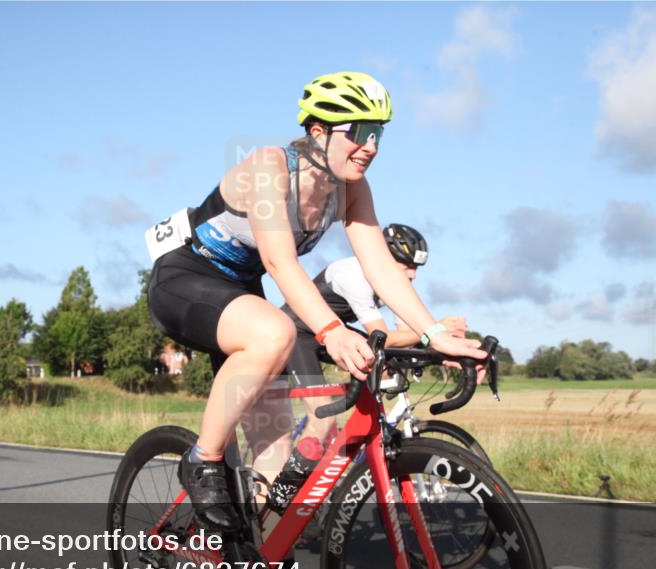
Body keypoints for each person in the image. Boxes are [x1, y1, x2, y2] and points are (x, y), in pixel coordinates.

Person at [146, 72, 486, 532]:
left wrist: (434, 333)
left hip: (242, 292)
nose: (372, 146)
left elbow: (382, 268)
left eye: (379, 133)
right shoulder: (270, 166)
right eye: (360, 133)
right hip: (186, 279)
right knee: (276, 331)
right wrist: (331, 331)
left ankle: (250, 565)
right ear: (318, 131)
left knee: (276, 445)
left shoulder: (351, 188)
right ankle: (201, 459)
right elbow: (279, 261)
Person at [282, 224, 468, 444]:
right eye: (406, 265)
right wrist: (436, 326)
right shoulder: (355, 276)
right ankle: (294, 478)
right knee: (323, 420)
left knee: (369, 399)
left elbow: (407, 335)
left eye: (416, 267)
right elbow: (384, 336)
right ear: (384, 257)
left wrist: (441, 350)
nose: (413, 274)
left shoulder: (395, 284)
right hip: (298, 333)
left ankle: (345, 466)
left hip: (334, 333)